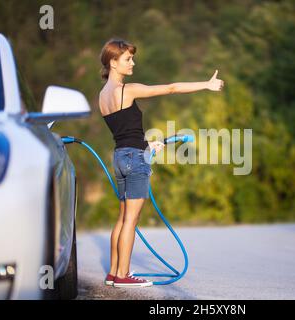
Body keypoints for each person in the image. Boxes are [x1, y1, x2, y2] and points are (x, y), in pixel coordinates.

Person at [98, 38, 224, 287]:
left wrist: (148, 145)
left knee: (122, 218)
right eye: (128, 59)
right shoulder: (127, 90)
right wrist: (206, 84)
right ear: (113, 62)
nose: (133, 62)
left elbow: (125, 133)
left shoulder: (102, 96)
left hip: (121, 156)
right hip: (135, 159)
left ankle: (113, 272)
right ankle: (123, 276)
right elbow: (172, 88)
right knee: (131, 221)